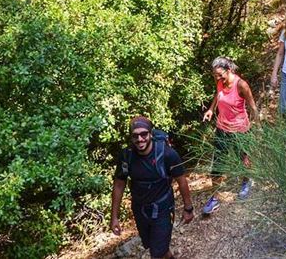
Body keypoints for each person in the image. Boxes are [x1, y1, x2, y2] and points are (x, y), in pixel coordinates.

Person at [111, 116, 194, 259]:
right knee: (156, 248)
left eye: (144, 134)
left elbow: (182, 181)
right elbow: (119, 185)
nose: (140, 139)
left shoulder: (167, 154)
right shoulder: (127, 156)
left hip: (162, 209)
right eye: (135, 135)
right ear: (131, 137)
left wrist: (188, 208)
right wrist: (114, 217)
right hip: (140, 210)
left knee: (157, 253)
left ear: (150, 134)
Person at [201, 57, 259, 214]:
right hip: (222, 128)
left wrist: (257, 126)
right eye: (215, 75)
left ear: (229, 70)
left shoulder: (241, 85)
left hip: (240, 129)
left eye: (220, 75)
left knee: (244, 159)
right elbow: (218, 93)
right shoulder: (220, 81)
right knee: (217, 163)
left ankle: (247, 181)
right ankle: (214, 198)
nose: (217, 78)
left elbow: (253, 107)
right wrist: (211, 109)